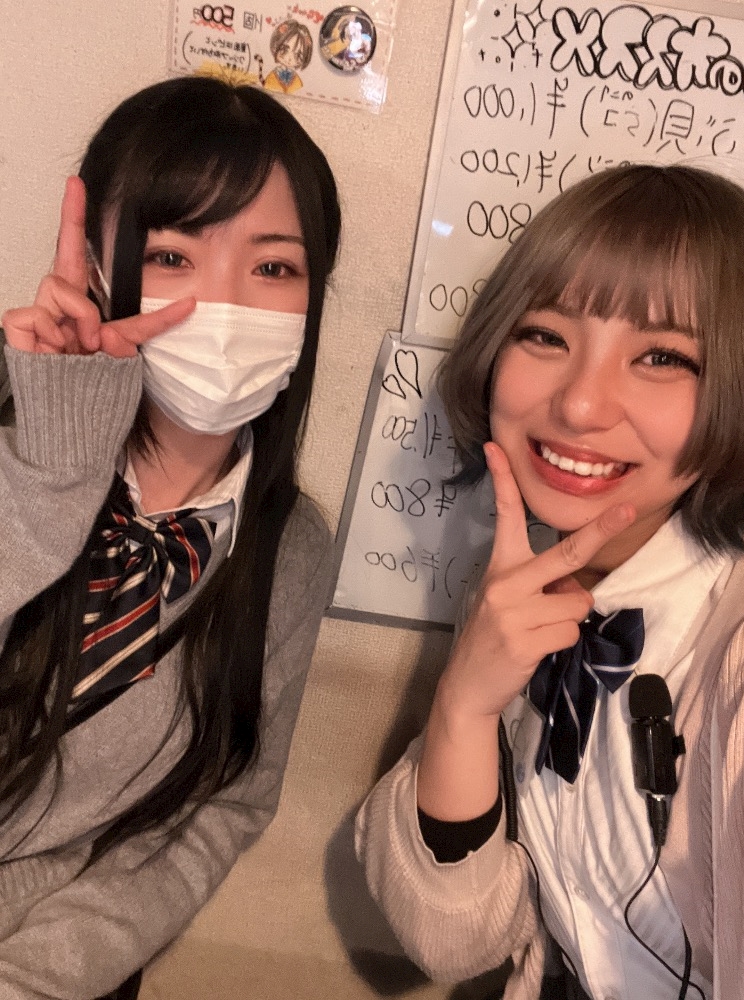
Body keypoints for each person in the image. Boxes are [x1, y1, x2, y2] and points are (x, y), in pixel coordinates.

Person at [355, 163, 744, 1000]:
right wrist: (465, 707)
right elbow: (452, 940)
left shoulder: (736, 650)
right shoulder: (513, 589)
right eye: (545, 336)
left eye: (661, 356)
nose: (579, 406)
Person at [0, 75, 340, 999]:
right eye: (171, 255)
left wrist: (41, 975)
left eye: (274, 268)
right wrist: (52, 466)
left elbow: (222, 805)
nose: (222, 307)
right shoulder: (15, 460)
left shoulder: (293, 550)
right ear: (97, 269)